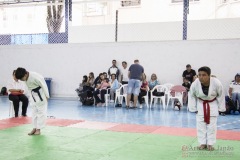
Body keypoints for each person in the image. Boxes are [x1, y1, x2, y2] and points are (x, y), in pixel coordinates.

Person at [188, 66, 225, 151]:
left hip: (212, 104)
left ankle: (210, 144)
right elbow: (192, 95)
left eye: (204, 75)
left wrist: (221, 108)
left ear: (209, 75)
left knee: (212, 126)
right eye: (199, 75)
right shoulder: (195, 83)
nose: (201, 77)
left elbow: (221, 95)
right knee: (200, 125)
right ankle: (202, 143)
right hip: (201, 104)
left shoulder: (216, 83)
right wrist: (193, 108)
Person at [15, 67, 49, 136]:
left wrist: (47, 95)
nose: (21, 80)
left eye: (21, 78)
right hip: (32, 95)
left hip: (41, 94)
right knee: (34, 112)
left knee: (41, 112)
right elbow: (27, 87)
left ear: (25, 74)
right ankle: (34, 127)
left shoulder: (35, 76)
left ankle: (38, 129)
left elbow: (44, 85)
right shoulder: (25, 78)